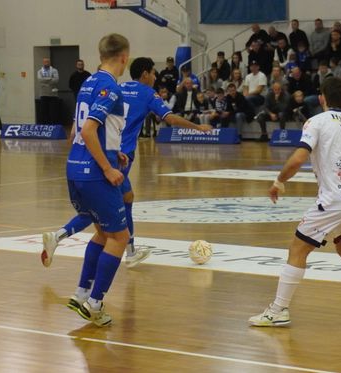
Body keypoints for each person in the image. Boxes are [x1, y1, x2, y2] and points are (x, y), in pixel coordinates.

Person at [248, 77, 341, 327]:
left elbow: (298, 159)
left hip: (334, 200)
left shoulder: (317, 121)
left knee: (298, 249)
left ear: (322, 98)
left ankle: (278, 311)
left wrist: (279, 181)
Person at [42, 56, 211, 272]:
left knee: (125, 199)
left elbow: (79, 126)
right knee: (102, 214)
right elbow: (170, 119)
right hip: (118, 158)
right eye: (153, 73)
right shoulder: (148, 92)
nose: (155, 77)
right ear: (145, 74)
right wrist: (198, 127)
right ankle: (63, 240)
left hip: (99, 152)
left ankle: (130, 251)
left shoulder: (117, 87)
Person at [54, 33, 131, 327]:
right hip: (95, 173)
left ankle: (80, 293)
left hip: (75, 166)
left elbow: (75, 133)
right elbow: (87, 131)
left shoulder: (87, 82)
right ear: (124, 57)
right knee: (120, 237)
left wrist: (114, 153)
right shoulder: (110, 87)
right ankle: (95, 303)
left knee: (101, 232)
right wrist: (108, 168)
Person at [37, 57, 60, 124]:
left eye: (47, 61)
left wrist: (45, 80)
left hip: (53, 94)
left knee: (53, 112)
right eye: (45, 62)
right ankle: (45, 125)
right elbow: (40, 80)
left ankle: (53, 125)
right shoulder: (39, 71)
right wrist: (50, 78)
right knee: (43, 111)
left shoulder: (54, 70)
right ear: (43, 62)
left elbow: (56, 80)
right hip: (43, 94)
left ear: (49, 62)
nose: (46, 63)